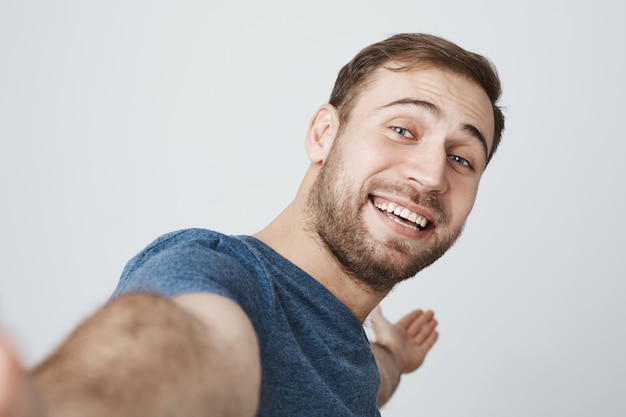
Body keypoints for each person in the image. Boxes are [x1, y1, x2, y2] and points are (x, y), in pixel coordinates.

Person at [0, 32, 504, 416]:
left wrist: (394, 356)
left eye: (462, 159)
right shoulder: (219, 271)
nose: (432, 174)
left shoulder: (350, 351)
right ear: (324, 135)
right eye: (402, 129)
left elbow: (361, 376)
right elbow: (190, 342)